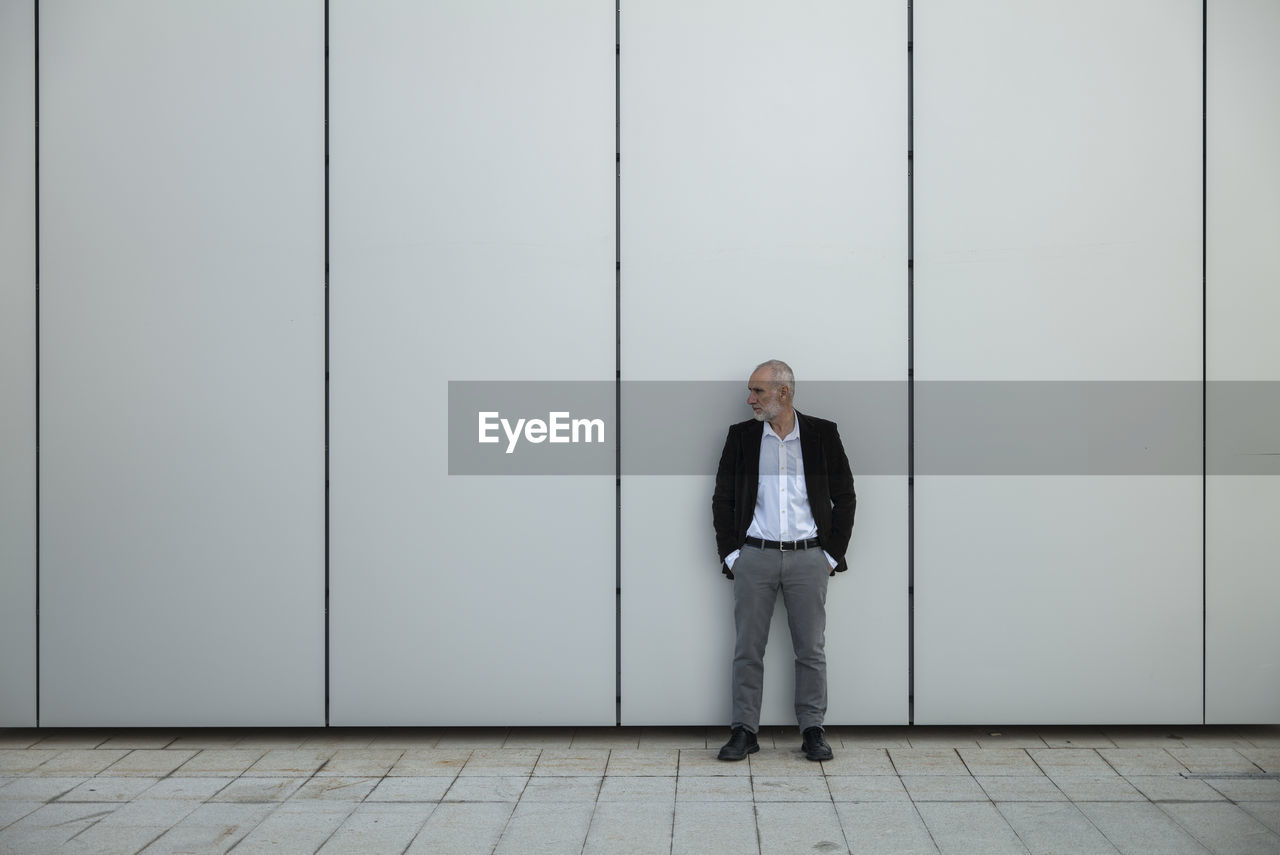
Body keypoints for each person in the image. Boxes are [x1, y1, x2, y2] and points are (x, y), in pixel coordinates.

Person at [711, 360, 856, 761]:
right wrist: (733, 555)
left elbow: (845, 497)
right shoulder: (741, 437)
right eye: (752, 391)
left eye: (758, 391)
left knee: (810, 649)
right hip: (754, 557)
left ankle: (812, 729)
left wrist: (830, 555)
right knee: (747, 649)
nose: (750, 399)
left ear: (783, 393)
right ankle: (744, 730)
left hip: (808, 557)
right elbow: (723, 499)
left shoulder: (822, 434)